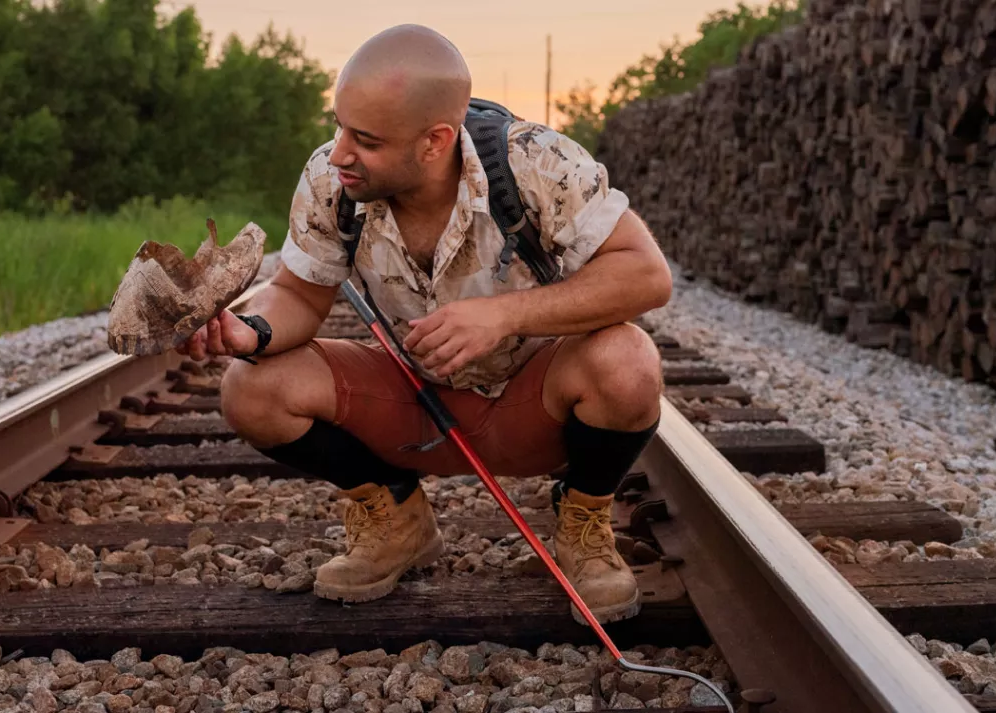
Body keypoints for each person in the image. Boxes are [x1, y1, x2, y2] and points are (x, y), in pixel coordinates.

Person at [177, 24, 671, 625]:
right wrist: (250, 332)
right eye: (338, 126)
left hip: (534, 405)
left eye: (365, 139)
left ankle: (583, 522)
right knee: (250, 386)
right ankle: (397, 520)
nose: (338, 152)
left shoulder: (538, 163)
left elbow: (646, 276)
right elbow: (298, 297)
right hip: (413, 405)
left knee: (629, 362)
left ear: (435, 140)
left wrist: (502, 315)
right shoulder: (333, 180)